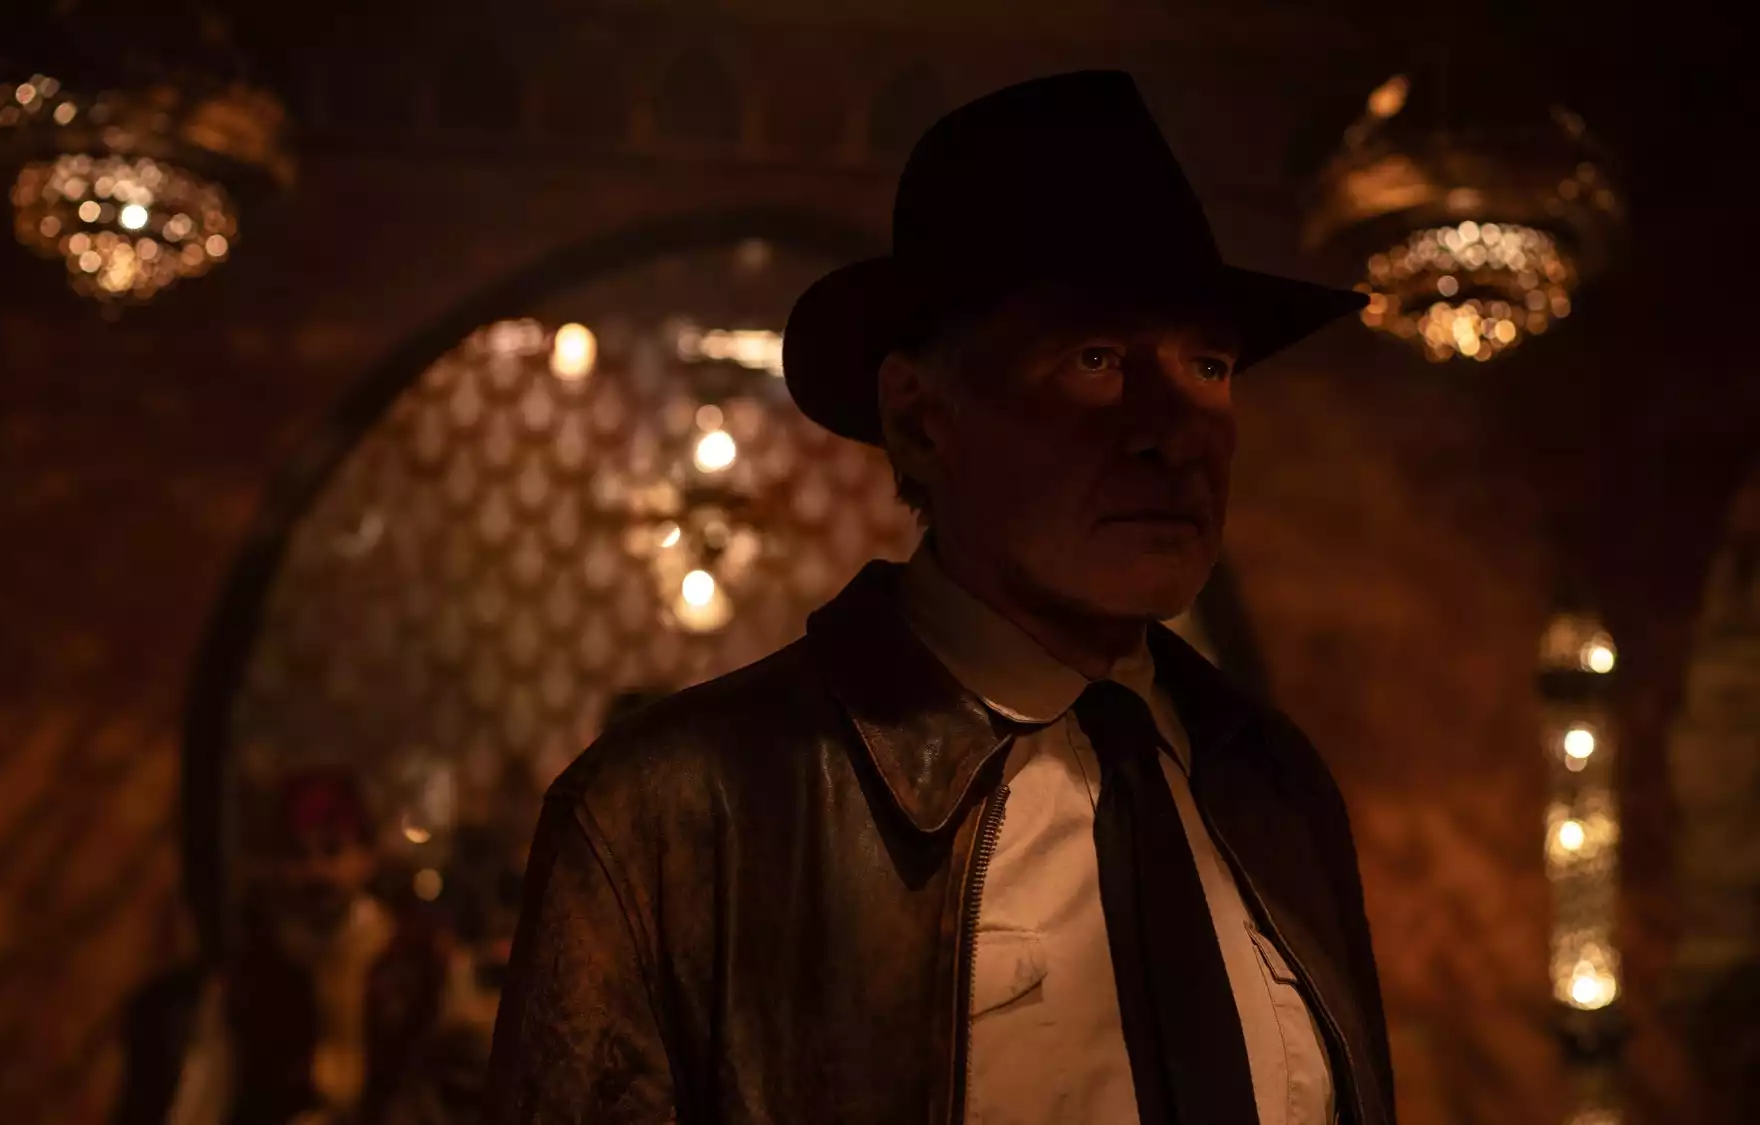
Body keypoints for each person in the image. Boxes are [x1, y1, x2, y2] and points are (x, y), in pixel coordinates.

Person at [484, 72, 1395, 1125]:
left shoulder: (1273, 787)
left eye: (1209, 365)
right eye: (1095, 358)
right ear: (921, 419)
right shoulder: (679, 815)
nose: (1173, 431)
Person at [117, 768, 480, 1125]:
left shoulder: (422, 960)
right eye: (298, 854)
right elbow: (208, 1088)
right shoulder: (253, 970)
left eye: (332, 850)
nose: (315, 871)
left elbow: (462, 1075)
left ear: (366, 857)